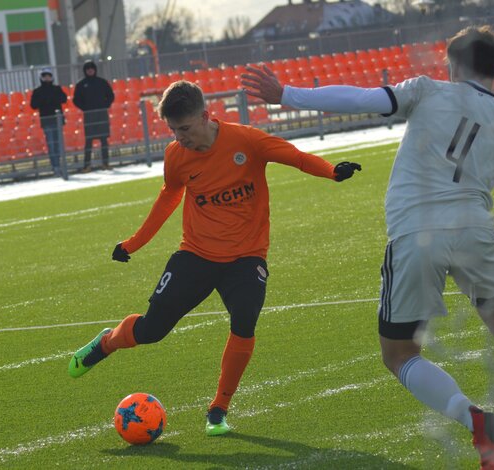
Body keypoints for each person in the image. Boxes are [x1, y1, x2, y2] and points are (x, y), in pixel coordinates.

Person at [242, 25, 494, 469]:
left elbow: (363, 99)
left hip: (416, 233)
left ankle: (475, 420)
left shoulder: (426, 90)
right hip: (475, 230)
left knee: (399, 353)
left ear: (454, 65)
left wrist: (286, 93)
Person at [68, 80, 362, 436]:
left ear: (206, 116)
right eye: (173, 130)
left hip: (246, 256)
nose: (180, 137)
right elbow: (168, 198)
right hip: (196, 254)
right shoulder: (176, 156)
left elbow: (295, 157)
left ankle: (218, 410)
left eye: (186, 128)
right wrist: (132, 244)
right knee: (151, 331)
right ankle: (107, 342)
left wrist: (332, 171)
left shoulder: (246, 141)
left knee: (244, 321)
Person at [72, 60, 114, 172]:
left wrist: (105, 105)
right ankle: (87, 166)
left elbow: (110, 96)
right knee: (88, 141)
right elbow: (75, 100)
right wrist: (85, 109)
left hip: (102, 114)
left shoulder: (102, 82)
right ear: (85, 71)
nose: (90, 70)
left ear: (95, 69)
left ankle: (105, 163)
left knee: (104, 140)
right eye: (88, 69)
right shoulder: (81, 84)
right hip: (89, 116)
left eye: (92, 68)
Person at [29, 67, 67, 176]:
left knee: (58, 144)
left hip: (58, 121)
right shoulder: (38, 91)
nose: (47, 78)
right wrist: (44, 99)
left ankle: (59, 165)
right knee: (51, 144)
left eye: (48, 76)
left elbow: (64, 99)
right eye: (44, 76)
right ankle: (55, 166)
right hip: (47, 121)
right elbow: (33, 105)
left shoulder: (57, 89)